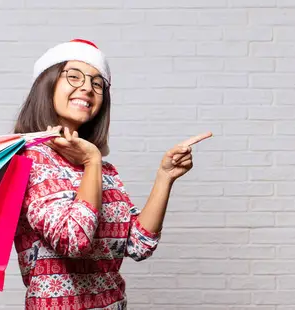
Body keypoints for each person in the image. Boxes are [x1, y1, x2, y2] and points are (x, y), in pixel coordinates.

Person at [11, 39, 212, 310]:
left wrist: (165, 177)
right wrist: (92, 160)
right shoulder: (28, 161)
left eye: (97, 83)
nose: (87, 87)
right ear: (47, 84)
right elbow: (74, 240)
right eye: (73, 76)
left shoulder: (104, 170)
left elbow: (139, 245)